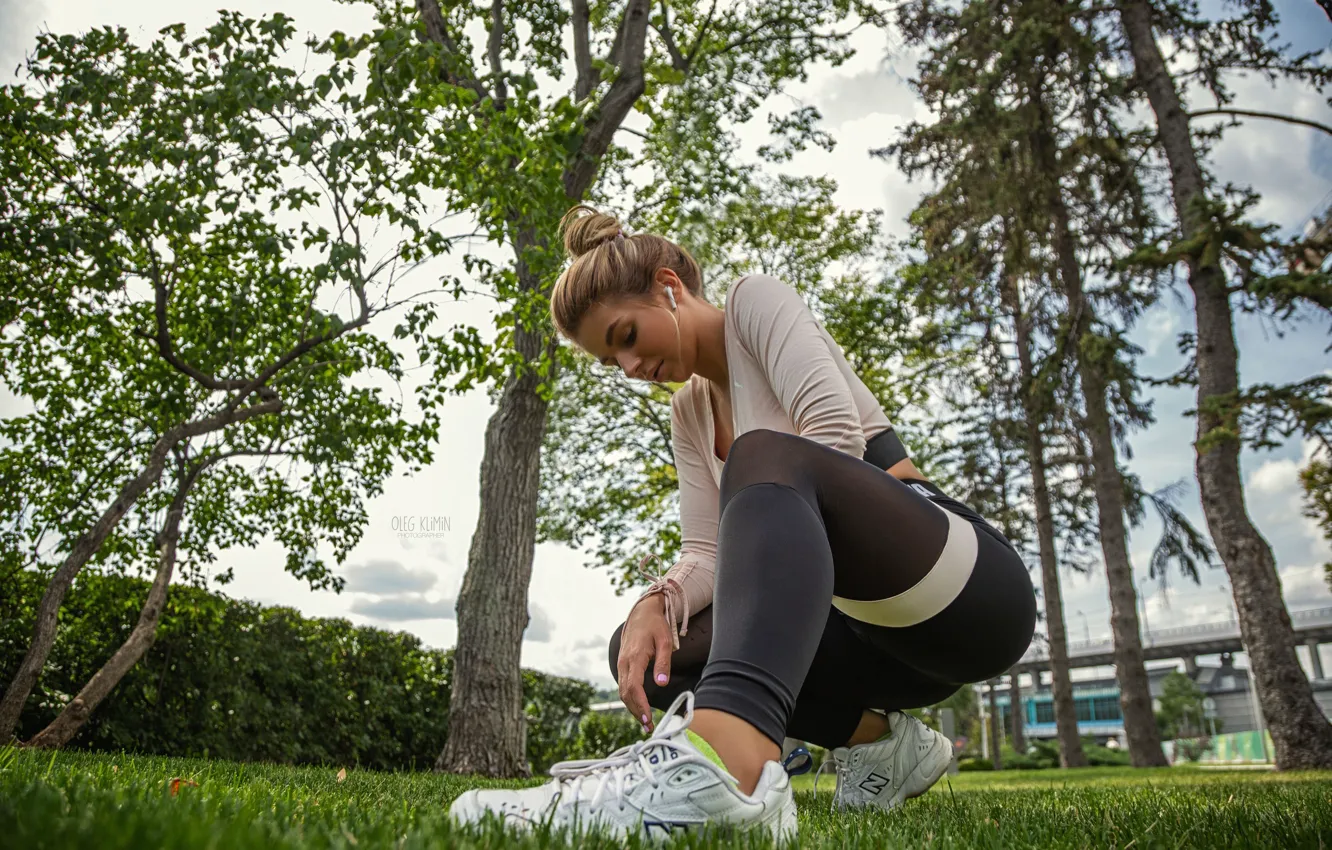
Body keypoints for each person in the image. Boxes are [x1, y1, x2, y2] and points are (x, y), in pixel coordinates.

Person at [449, 206, 1037, 841]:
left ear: (668, 288)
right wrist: (658, 599)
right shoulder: (689, 413)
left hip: (957, 596)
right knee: (645, 650)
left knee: (761, 455)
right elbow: (705, 550)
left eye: (624, 337)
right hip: (859, 641)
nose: (628, 369)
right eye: (608, 362)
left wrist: (756, 540)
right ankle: (884, 747)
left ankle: (730, 767)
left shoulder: (755, 303)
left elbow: (835, 442)